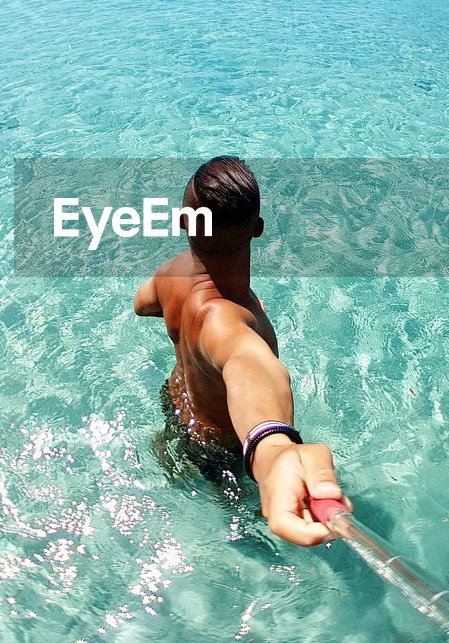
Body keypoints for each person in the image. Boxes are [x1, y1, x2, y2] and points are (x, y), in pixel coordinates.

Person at [134, 156, 349, 546]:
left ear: (185, 222)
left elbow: (141, 304)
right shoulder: (226, 321)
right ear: (259, 230)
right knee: (245, 526)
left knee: (175, 475)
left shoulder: (170, 276)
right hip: (223, 449)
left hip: (175, 406)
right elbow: (246, 364)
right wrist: (274, 448)